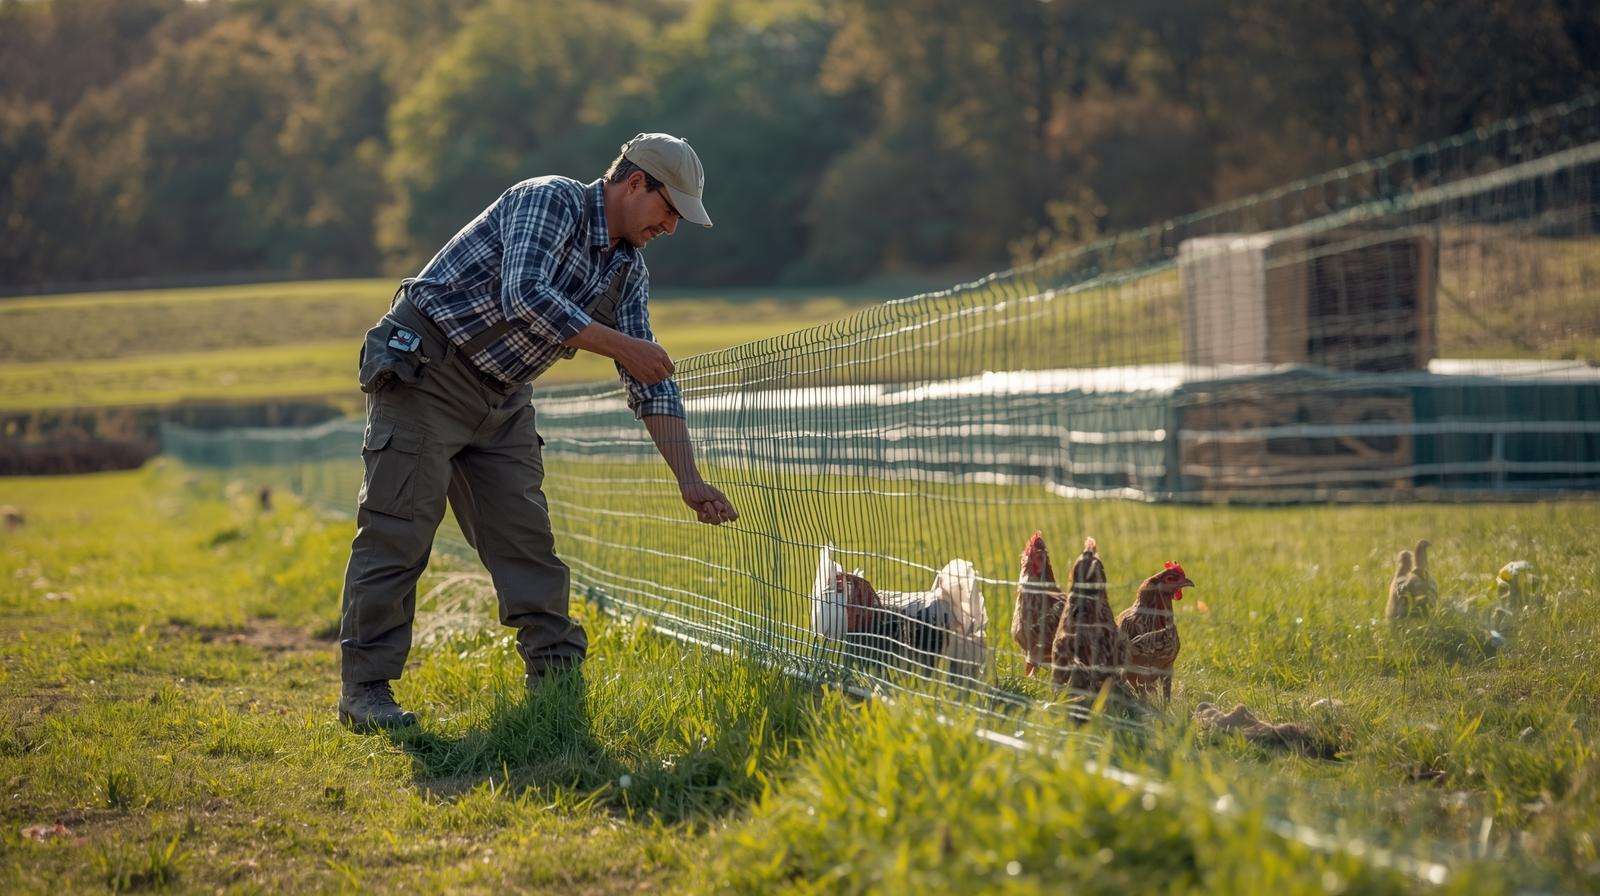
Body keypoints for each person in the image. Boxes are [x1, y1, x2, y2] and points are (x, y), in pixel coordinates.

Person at [337, 133, 738, 731]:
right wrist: (622, 345)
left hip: (502, 400)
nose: (671, 228)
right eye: (669, 210)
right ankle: (366, 693)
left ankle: (557, 689)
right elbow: (525, 295)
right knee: (398, 533)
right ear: (634, 184)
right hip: (428, 376)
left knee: (526, 540)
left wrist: (690, 478)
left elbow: (647, 378)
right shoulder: (548, 201)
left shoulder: (627, 269)